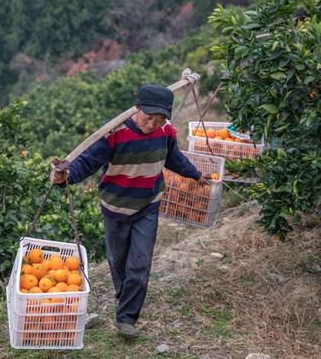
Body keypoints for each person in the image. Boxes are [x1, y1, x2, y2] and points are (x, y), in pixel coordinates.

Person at [50, 84, 211, 338]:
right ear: (137, 109)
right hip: (115, 207)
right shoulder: (116, 133)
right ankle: (123, 294)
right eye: (149, 117)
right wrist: (66, 176)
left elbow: (173, 158)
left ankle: (126, 318)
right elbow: (88, 162)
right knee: (118, 261)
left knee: (140, 264)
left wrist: (195, 174)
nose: (152, 124)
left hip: (148, 205)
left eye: (159, 119)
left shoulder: (166, 132)